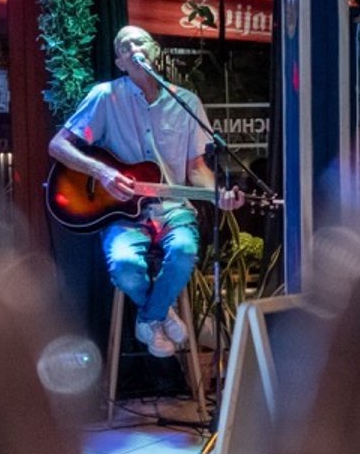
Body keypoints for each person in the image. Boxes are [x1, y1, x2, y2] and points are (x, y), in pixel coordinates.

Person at [49, 25, 242, 359]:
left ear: (154, 51)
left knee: (183, 251)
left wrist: (218, 195)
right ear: (120, 62)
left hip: (173, 208)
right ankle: (161, 313)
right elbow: (58, 146)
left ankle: (149, 317)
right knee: (123, 264)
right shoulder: (105, 97)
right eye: (125, 47)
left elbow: (196, 169)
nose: (133, 48)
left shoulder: (186, 102)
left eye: (140, 42)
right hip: (123, 211)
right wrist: (103, 172)